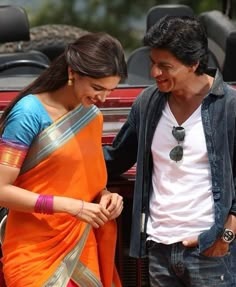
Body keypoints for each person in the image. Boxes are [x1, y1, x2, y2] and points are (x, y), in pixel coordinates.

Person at [103, 15, 236, 287]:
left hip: (210, 250)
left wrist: (226, 236)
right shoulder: (147, 103)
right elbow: (116, 158)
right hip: (159, 248)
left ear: (194, 63)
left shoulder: (230, 106)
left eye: (165, 66)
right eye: (152, 63)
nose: (154, 73)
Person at [0, 31, 127, 287]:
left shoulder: (92, 116)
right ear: (73, 73)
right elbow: (1, 190)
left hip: (83, 247)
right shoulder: (29, 113)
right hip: (34, 254)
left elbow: (87, 183)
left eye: (110, 90)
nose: (102, 99)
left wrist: (107, 198)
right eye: (97, 88)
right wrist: (72, 207)